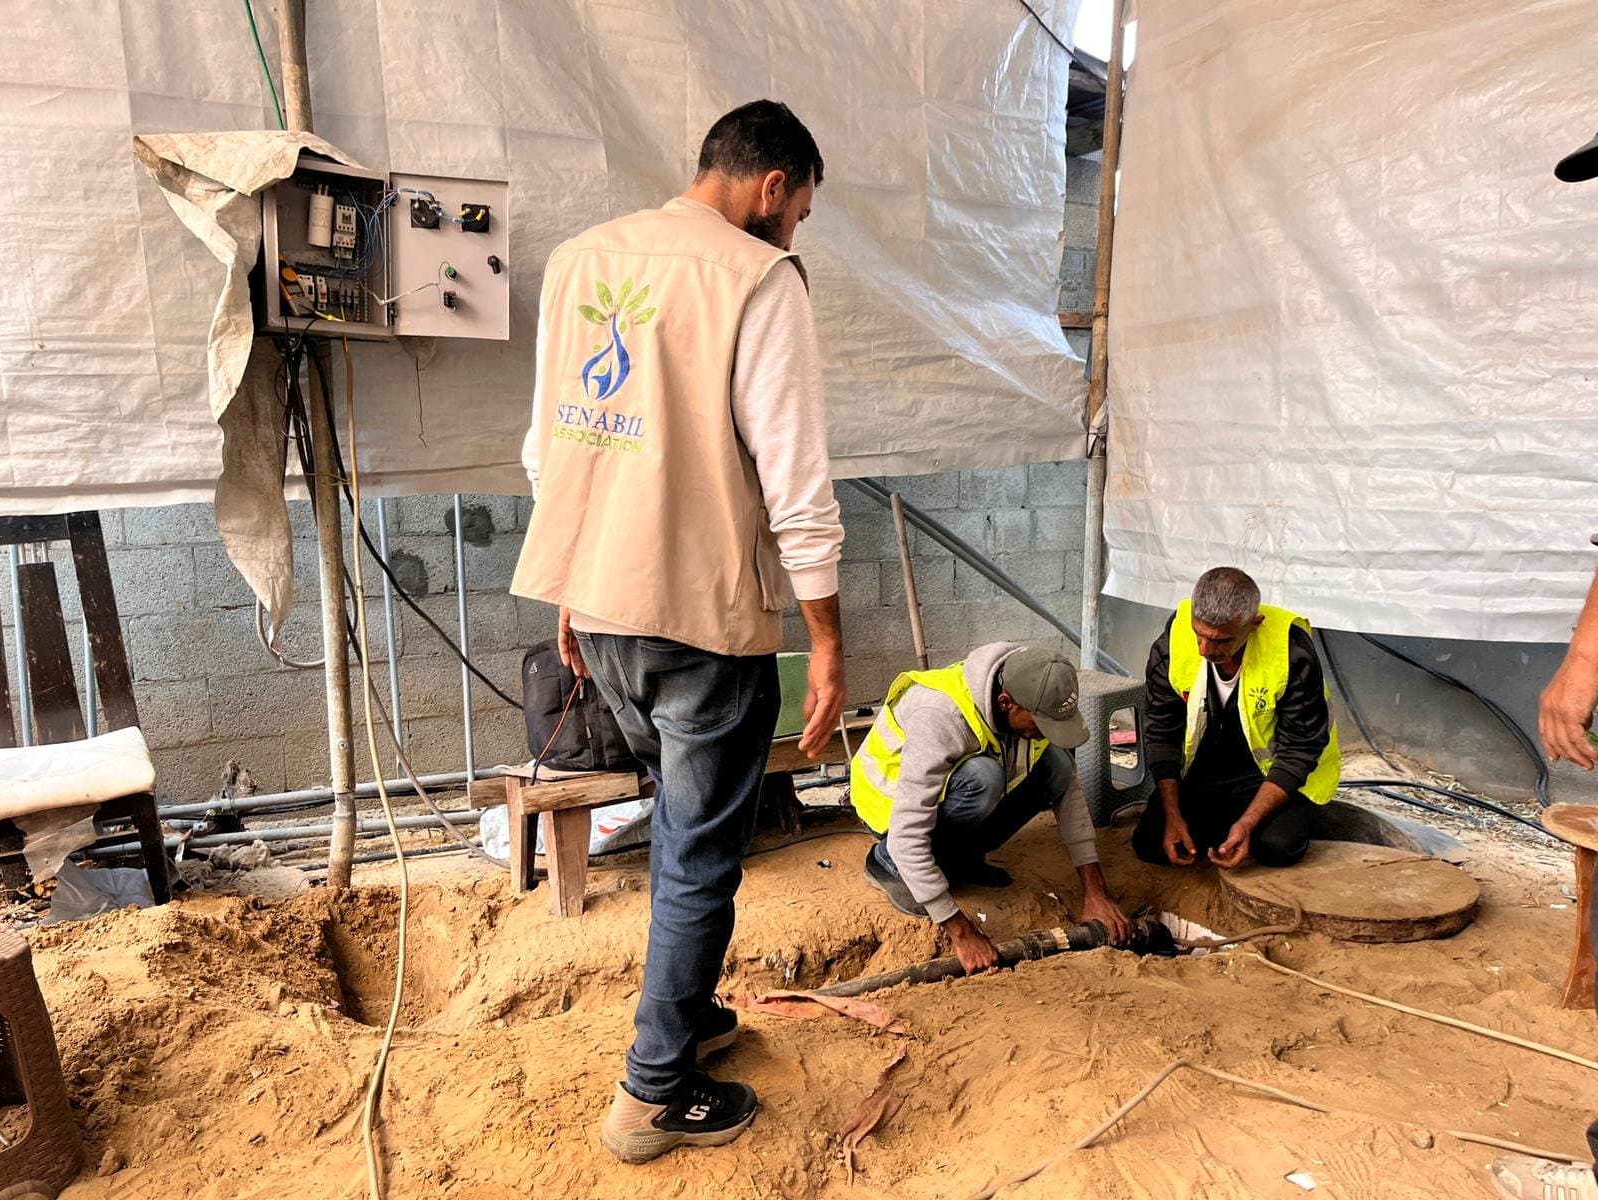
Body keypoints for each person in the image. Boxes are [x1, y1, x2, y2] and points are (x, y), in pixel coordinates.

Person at [511, 100, 846, 1164]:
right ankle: (653, 1095)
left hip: (599, 607)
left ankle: (689, 1015)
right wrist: (827, 641)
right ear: (774, 185)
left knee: (681, 828)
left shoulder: (581, 261)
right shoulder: (756, 279)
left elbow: (550, 449)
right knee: (702, 853)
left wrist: (572, 586)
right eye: (798, 210)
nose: (794, 232)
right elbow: (795, 480)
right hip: (699, 621)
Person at [1487, 127, 1598, 1200]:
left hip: (1269, 795)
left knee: (1280, 819)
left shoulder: (1282, 659)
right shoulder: (1172, 653)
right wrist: (1583, 652)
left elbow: (1296, 750)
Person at [849, 643, 1133, 972]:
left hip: (947, 799)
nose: (1043, 732)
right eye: (1040, 723)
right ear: (1005, 703)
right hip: (891, 813)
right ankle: (886, 863)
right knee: (983, 778)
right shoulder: (941, 716)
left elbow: (1069, 792)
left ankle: (960, 855)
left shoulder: (1029, 683)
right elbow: (907, 834)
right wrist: (961, 931)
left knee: (1056, 764)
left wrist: (1095, 891)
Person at [1134, 567, 1340, 870]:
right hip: (1208, 769)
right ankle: (1223, 823)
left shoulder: (1291, 653)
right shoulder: (1173, 642)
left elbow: (1300, 749)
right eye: (1199, 635)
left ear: (1254, 624)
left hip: (1269, 775)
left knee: (1277, 847)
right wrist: (1173, 815)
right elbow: (1161, 730)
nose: (1205, 650)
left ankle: (1282, 819)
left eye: (1221, 640)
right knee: (1150, 844)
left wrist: (1248, 821)